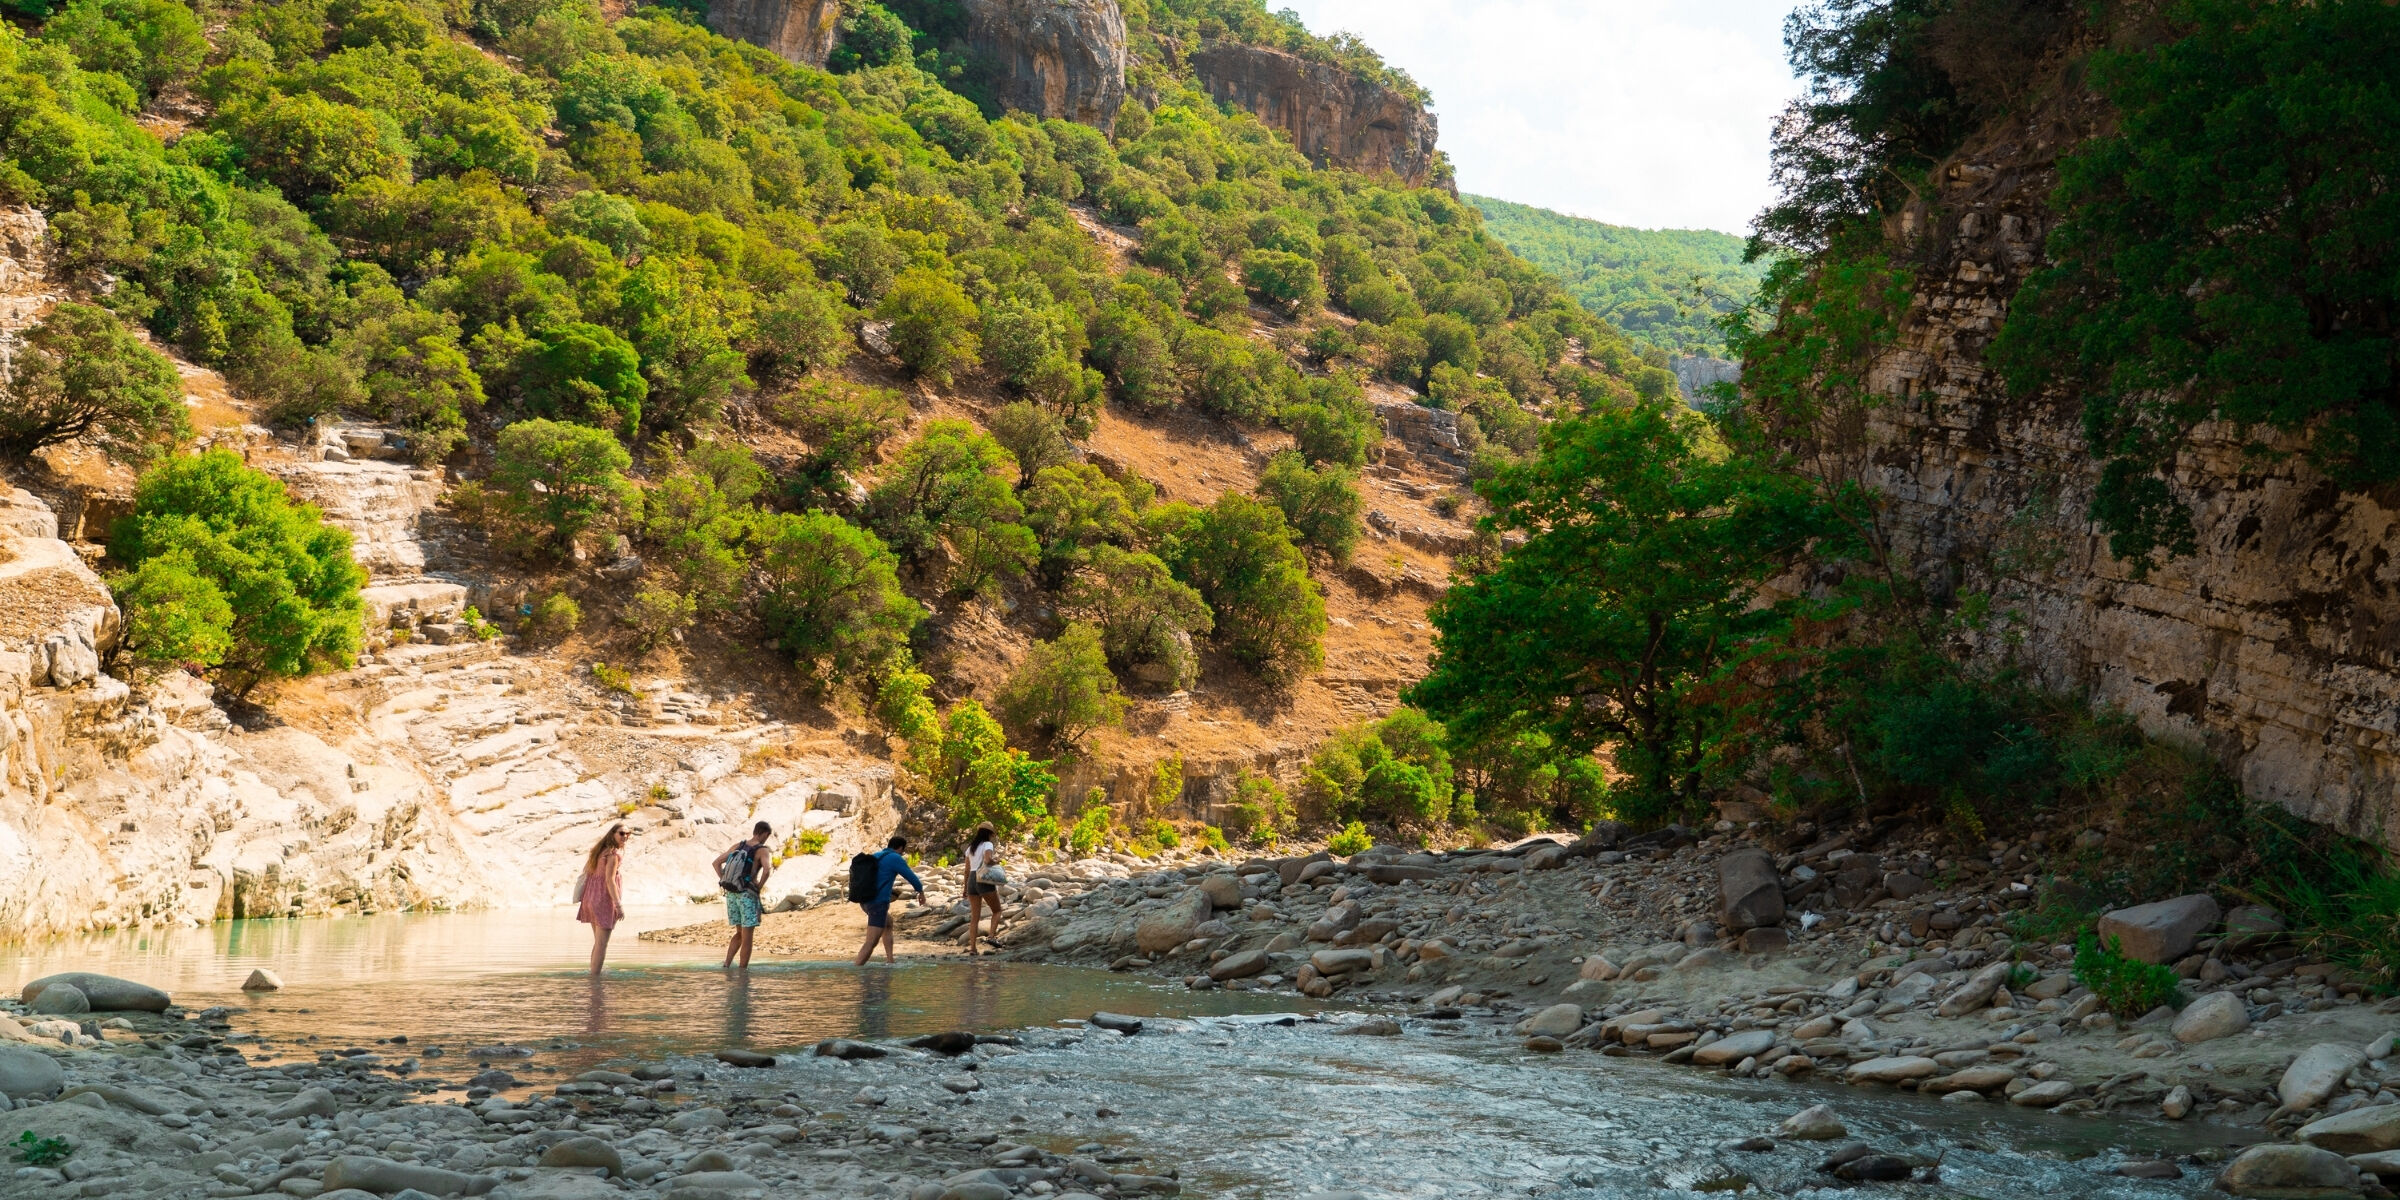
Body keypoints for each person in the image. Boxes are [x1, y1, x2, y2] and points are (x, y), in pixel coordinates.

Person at [853, 835, 925, 966]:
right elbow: (910, 876)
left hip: (865, 900)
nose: (902, 853)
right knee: (871, 942)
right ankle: (857, 970)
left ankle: (890, 961)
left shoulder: (876, 855)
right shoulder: (895, 858)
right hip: (878, 903)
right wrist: (921, 891)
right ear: (901, 848)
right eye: (903, 851)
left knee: (888, 922)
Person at [714, 821, 774, 971]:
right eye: (767, 836)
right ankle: (742, 973)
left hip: (732, 894)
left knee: (739, 933)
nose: (766, 839)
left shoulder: (738, 846)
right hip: (747, 895)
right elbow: (767, 870)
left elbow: (716, 863)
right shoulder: (762, 850)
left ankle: (726, 965)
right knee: (747, 937)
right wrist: (758, 887)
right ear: (764, 833)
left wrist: (725, 880)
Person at [576, 823, 627, 975]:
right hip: (603, 900)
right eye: (621, 833)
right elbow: (610, 881)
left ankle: (593, 974)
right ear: (613, 834)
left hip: (590, 898)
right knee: (602, 944)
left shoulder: (598, 851)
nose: (625, 836)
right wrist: (618, 906)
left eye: (628, 833)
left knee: (598, 942)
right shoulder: (612, 855)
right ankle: (595, 980)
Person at [962, 825, 1004, 956]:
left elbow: (966, 870)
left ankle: (973, 949)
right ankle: (991, 937)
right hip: (983, 877)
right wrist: (996, 861)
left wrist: (965, 888)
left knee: (975, 917)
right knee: (997, 910)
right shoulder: (988, 844)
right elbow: (987, 860)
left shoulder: (970, 848)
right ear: (989, 834)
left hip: (971, 880)